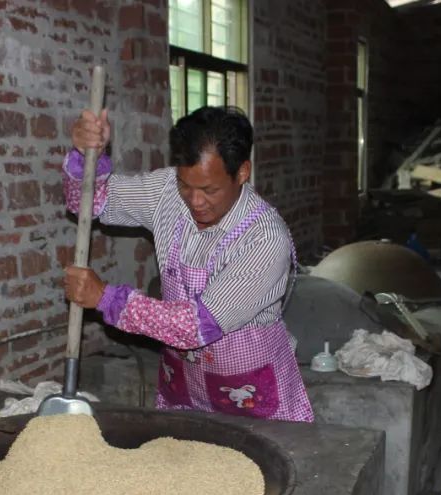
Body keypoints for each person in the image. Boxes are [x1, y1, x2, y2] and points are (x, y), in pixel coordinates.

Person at [60, 106, 313, 422]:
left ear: (242, 172)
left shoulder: (264, 239)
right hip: (183, 386)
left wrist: (106, 299)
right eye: (185, 185)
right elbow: (90, 202)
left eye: (210, 190)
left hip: (251, 396)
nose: (195, 201)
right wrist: (87, 157)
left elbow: (196, 326)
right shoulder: (167, 191)